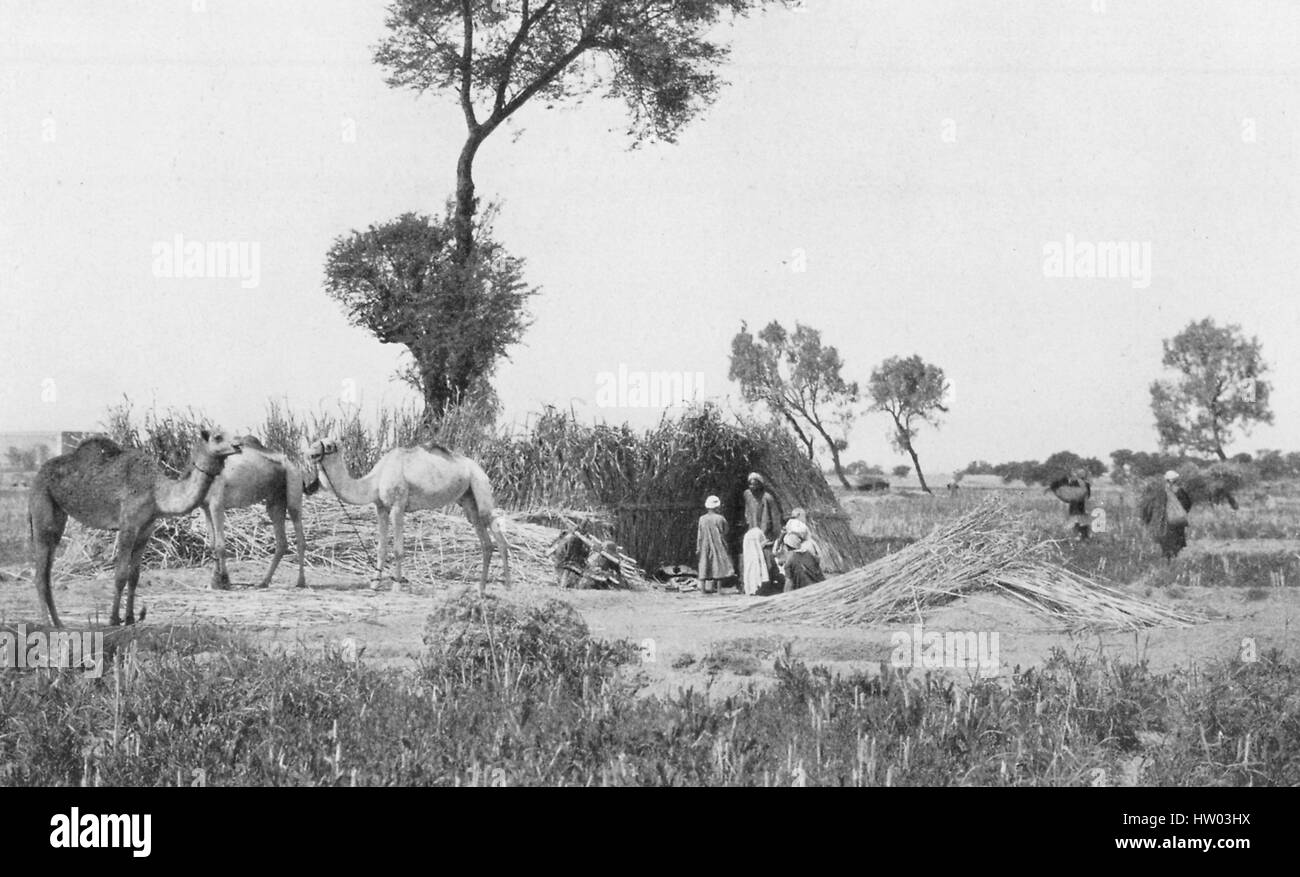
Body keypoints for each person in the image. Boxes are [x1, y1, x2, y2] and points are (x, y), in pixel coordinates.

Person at [742, 472, 782, 596]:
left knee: (766, 559)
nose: (752, 487)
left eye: (755, 484)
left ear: (760, 485)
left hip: (765, 533)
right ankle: (754, 584)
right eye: (750, 484)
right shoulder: (747, 495)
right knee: (753, 559)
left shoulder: (767, 498)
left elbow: (775, 517)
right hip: (753, 532)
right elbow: (747, 510)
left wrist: (775, 536)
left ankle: (766, 583)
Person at [1141, 470, 1193, 560]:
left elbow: (1149, 506)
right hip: (1176, 521)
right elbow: (1187, 504)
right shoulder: (1180, 491)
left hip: (1163, 522)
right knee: (1176, 541)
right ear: (1176, 480)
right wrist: (1180, 512)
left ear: (1166, 480)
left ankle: (1167, 560)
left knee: (1166, 542)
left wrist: (1147, 520)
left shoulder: (1160, 492)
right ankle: (1174, 559)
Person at [696, 495, 734, 595]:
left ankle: (703, 590)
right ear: (717, 507)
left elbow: (699, 534)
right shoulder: (720, 518)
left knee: (704, 563)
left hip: (705, 544)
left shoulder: (702, 519)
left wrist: (698, 547)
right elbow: (725, 530)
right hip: (718, 544)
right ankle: (719, 589)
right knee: (718, 564)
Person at [1048, 468, 1092, 540]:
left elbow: (1067, 492)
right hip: (1079, 504)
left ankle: (1079, 536)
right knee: (1079, 519)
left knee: (1077, 519)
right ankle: (1082, 536)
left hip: (1077, 504)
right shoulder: (1084, 483)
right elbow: (1087, 495)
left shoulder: (1077, 482)